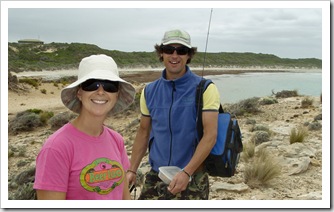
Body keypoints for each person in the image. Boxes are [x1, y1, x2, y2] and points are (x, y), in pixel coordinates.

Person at [126, 29, 221, 200]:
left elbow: (210, 135)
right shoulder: (149, 91)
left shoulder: (206, 88)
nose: (174, 55)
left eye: (181, 50)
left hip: (192, 177)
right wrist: (132, 169)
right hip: (157, 175)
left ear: (189, 55)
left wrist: (187, 172)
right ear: (161, 53)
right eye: (169, 49)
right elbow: (143, 132)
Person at [33, 54, 136, 200]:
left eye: (109, 85)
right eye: (91, 84)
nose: (100, 92)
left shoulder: (116, 140)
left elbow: (125, 199)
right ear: (79, 92)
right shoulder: (57, 147)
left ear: (117, 94)